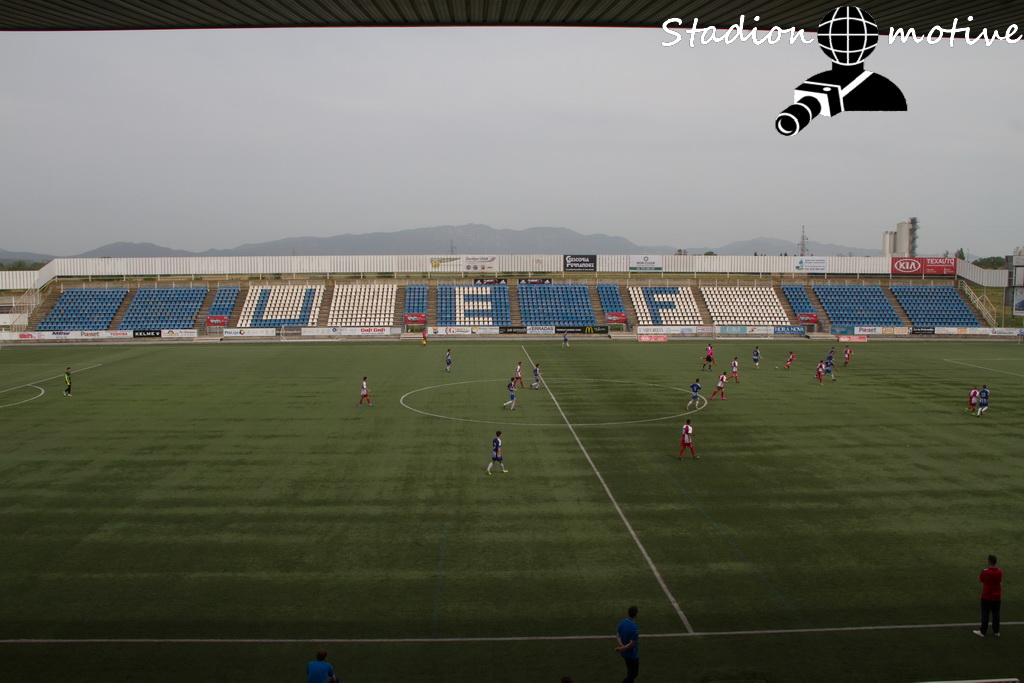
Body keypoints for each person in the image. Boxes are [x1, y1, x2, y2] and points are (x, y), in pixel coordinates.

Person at [973, 555, 1002, 637]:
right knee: (996, 615)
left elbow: (980, 579)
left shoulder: (985, 572)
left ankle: (983, 632)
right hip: (997, 597)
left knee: (985, 614)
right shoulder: (1000, 572)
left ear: (989, 561)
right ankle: (996, 631)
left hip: (987, 597)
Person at [615, 605, 640, 683]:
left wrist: (621, 645)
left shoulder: (622, 623)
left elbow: (618, 636)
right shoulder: (635, 628)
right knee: (633, 675)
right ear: (636, 615)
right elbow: (631, 644)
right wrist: (621, 648)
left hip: (624, 654)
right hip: (632, 655)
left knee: (630, 672)